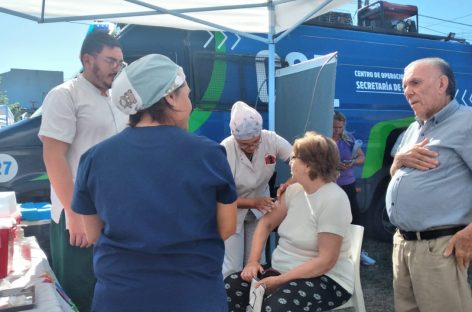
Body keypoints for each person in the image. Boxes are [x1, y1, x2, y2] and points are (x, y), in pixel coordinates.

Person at [71, 54, 237, 311]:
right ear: (170, 97)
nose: (190, 103)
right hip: (194, 297)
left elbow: (93, 233)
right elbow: (226, 227)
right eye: (187, 95)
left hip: (119, 298)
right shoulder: (209, 154)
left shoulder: (93, 158)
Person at [39, 30, 128, 311]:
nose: (117, 68)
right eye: (111, 61)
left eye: (120, 62)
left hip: (114, 209)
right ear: (87, 59)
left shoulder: (118, 98)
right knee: (81, 288)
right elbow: (54, 156)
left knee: (112, 283)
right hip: (78, 213)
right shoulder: (65, 95)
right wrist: (74, 214)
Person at [225, 131, 354, 312]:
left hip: (327, 279)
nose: (290, 162)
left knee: (275, 306)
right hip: (282, 271)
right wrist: (253, 261)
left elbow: (326, 261)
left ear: (308, 165)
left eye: (294, 157)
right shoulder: (294, 191)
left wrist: (279, 281)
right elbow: (266, 223)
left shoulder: (334, 199)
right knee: (232, 286)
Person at [386, 57, 472, 312]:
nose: (407, 91)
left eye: (415, 82)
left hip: (440, 249)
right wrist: (398, 161)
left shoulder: (467, 122)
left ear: (442, 83)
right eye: (404, 85)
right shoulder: (413, 128)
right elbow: (396, 176)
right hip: (403, 244)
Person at [221, 101, 292, 277]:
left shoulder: (271, 139)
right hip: (232, 210)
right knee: (232, 266)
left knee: (256, 262)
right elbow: (218, 195)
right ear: (234, 136)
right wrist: (252, 202)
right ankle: (231, 302)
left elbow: (298, 159)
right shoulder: (225, 149)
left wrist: (289, 182)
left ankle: (253, 304)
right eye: (244, 144)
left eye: (255, 142)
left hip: (260, 210)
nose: (251, 147)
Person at [332, 111, 375, 266]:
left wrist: (352, 162)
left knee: (355, 218)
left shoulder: (348, 138)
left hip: (348, 183)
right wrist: (334, 165)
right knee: (333, 220)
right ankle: (335, 254)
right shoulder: (324, 138)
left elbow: (361, 158)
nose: (337, 130)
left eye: (340, 127)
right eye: (335, 127)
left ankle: (359, 252)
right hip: (331, 185)